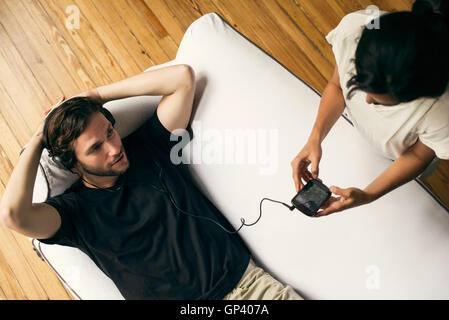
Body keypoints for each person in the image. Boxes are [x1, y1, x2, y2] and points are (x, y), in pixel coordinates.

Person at [0, 64, 302, 300]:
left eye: (109, 131)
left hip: (248, 290)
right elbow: (12, 215)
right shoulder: (73, 214)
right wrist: (39, 138)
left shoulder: (148, 148)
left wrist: (95, 96)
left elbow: (182, 78)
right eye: (96, 148)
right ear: (73, 165)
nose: (114, 148)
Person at [291, 0, 449, 217]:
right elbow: (337, 87)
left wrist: (369, 195)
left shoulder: (444, 112)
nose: (365, 102)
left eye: (378, 100)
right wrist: (315, 138)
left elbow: (418, 157)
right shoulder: (358, 28)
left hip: (395, 161)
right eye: (359, 83)